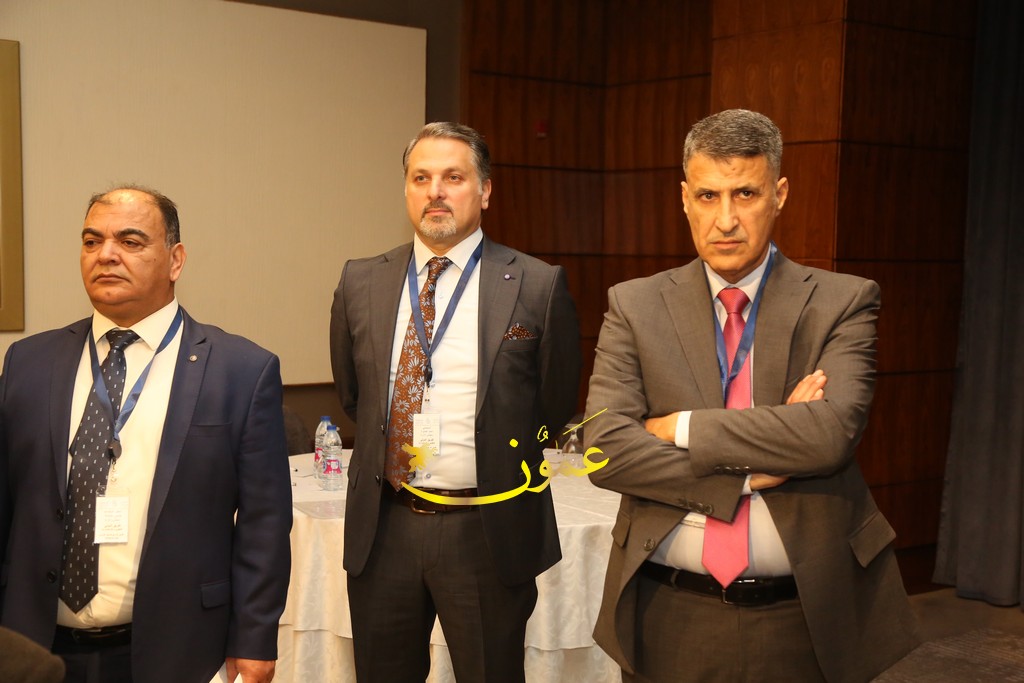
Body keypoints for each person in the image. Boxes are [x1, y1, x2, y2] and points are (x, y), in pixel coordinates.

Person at [585, 109, 919, 682]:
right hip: (667, 611)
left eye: (745, 193)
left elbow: (827, 437)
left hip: (806, 617)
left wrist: (678, 427)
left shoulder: (842, 301)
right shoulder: (635, 306)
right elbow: (605, 449)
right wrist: (746, 471)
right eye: (708, 196)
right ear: (684, 199)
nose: (726, 219)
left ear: (779, 194)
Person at [0, 186, 292, 683]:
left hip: (174, 647)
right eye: (92, 241)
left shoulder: (241, 371)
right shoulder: (29, 363)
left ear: (175, 260)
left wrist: (254, 638)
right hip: (35, 647)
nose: (106, 254)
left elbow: (264, 523)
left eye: (130, 241)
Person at [330, 122, 581, 682]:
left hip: (487, 529)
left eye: (453, 177)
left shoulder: (536, 284)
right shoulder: (360, 281)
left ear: (485, 190)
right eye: (421, 178)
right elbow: (354, 395)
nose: (435, 192)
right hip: (385, 527)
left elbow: (554, 402)